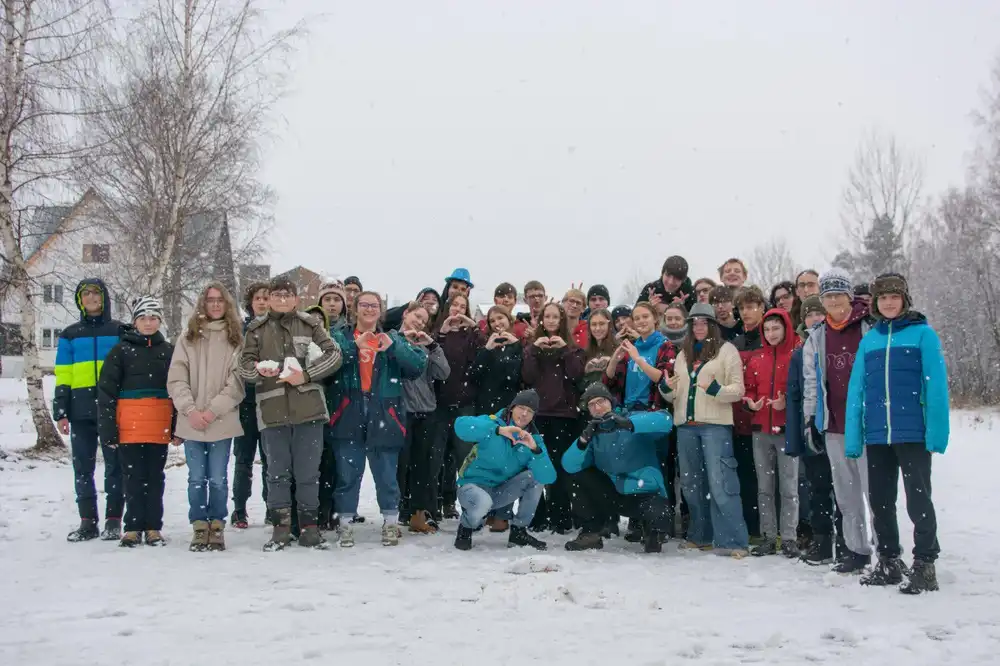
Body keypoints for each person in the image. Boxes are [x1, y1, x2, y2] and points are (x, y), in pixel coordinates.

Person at [846, 273, 948, 594]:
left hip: (912, 432)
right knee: (881, 500)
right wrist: (853, 435)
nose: (889, 302)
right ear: (875, 303)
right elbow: (856, 391)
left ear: (904, 299)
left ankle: (925, 564)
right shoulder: (870, 339)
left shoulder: (923, 335)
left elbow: (936, 388)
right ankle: (889, 561)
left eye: (895, 296)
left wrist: (936, 432)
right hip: (877, 435)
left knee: (918, 500)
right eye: (883, 297)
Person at [239, 277, 343, 551]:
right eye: (277, 295)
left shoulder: (311, 325)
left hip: (309, 411)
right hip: (272, 412)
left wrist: (306, 375)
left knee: (309, 474)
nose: (282, 300)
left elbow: (335, 355)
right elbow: (244, 365)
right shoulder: (256, 330)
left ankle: (310, 529)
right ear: (269, 298)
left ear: (297, 300)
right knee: (277, 475)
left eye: (288, 295)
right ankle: (281, 529)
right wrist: (258, 370)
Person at [327, 291, 427, 548]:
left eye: (374, 305)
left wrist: (393, 347)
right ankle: (345, 525)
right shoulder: (342, 337)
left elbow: (417, 367)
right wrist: (353, 347)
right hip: (349, 413)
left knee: (386, 476)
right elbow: (328, 364)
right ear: (355, 308)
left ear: (381, 310)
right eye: (364, 305)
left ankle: (390, 523)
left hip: (385, 414)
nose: (369, 309)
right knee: (348, 475)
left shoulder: (392, 337)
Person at [659, 303, 749, 558]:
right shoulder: (683, 354)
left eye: (703, 322)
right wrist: (666, 389)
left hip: (715, 426)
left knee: (721, 483)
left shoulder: (726, 351)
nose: (698, 327)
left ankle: (733, 541)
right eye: (694, 323)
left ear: (712, 325)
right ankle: (701, 536)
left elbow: (738, 390)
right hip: (686, 427)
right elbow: (675, 393)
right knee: (691, 485)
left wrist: (715, 390)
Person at [802, 268, 875, 574]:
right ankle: (856, 550)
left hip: (867, 425)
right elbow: (811, 383)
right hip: (833, 425)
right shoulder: (816, 337)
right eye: (828, 296)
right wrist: (811, 420)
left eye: (838, 295)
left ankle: (886, 551)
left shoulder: (868, 329)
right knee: (846, 495)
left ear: (849, 297)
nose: (833, 301)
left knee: (875, 494)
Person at [167, 282, 246, 552]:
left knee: (218, 478)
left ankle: (217, 526)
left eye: (220, 300)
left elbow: (237, 383)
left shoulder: (236, 338)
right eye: (210, 300)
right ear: (202, 303)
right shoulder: (188, 337)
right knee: (196, 478)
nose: (215, 304)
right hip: (192, 421)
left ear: (227, 305)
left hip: (221, 420)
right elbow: (177, 378)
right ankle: (199, 525)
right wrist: (190, 410)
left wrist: (212, 411)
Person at [96, 297, 176, 548]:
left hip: (159, 424)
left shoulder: (169, 351)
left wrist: (176, 427)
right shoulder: (120, 351)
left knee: (155, 477)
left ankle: (153, 527)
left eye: (153, 318)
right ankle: (132, 527)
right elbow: (106, 392)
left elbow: (178, 390)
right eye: (143, 318)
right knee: (131, 476)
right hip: (129, 426)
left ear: (160, 321)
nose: (148, 322)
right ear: (135, 322)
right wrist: (108, 428)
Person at [563, 383, 675, 553]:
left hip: (645, 492)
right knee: (577, 476)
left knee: (658, 521)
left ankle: (652, 530)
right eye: (592, 405)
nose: (597, 408)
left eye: (601, 401)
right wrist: (583, 440)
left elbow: (666, 420)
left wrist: (628, 423)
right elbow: (569, 465)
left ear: (611, 402)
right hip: (613, 494)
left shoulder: (633, 418)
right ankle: (591, 533)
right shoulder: (594, 434)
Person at [55, 278, 126, 542]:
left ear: (105, 298)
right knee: (82, 468)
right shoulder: (69, 334)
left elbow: (127, 369)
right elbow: (63, 374)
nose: (91, 297)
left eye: (96, 293)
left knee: (115, 467)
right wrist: (61, 410)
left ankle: (113, 520)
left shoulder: (119, 330)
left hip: (111, 410)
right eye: (86, 294)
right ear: (79, 300)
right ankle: (87, 521)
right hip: (80, 411)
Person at [453, 390, 556, 551]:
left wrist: (535, 450)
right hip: (472, 488)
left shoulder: (533, 439)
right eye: (521, 407)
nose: (524, 414)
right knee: (482, 502)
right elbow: (460, 426)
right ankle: (466, 528)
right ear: (511, 408)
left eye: (529, 411)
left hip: (499, 492)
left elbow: (548, 477)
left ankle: (518, 532)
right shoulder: (493, 423)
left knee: (535, 477)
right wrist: (498, 430)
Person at [787, 295, 846, 564]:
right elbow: (795, 396)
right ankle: (822, 541)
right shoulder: (799, 354)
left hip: (839, 426)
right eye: (809, 315)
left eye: (819, 314)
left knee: (844, 488)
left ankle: (848, 541)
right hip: (812, 428)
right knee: (817, 488)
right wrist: (798, 434)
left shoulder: (839, 345)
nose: (815, 319)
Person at [521, 301, 585, 533]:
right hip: (538, 414)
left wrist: (565, 350)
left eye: (555, 317)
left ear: (561, 321)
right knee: (537, 465)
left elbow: (577, 374)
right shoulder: (531, 349)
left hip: (564, 415)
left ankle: (561, 518)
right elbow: (528, 376)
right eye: (547, 317)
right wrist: (535, 350)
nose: (550, 321)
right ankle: (537, 517)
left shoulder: (574, 349)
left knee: (559, 467)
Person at [743, 308, 800, 558]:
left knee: (789, 487)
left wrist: (786, 401)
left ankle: (789, 537)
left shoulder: (795, 357)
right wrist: (750, 402)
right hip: (760, 431)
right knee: (765, 487)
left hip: (786, 431)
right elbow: (749, 389)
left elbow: (802, 390)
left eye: (776, 328)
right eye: (767, 329)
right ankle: (768, 535)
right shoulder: (757, 359)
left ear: (786, 328)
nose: (771, 333)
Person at [398, 303, 450, 533]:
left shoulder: (427, 347)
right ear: (405, 314)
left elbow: (444, 373)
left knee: (424, 467)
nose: (419, 322)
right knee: (400, 466)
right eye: (417, 316)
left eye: (424, 320)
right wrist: (401, 338)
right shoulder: (392, 340)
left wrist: (433, 346)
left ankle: (421, 513)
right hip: (399, 413)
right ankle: (398, 512)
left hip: (426, 412)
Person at [431, 292, 483, 520]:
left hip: (465, 404)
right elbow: (431, 350)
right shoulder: (438, 331)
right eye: (455, 305)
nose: (458, 310)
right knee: (439, 458)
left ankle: (471, 506)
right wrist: (442, 331)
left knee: (465, 458)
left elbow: (484, 352)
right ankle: (441, 503)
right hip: (440, 404)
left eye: (463, 306)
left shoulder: (471, 335)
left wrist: (473, 327)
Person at [231, 282, 269, 529]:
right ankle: (239, 509)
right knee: (243, 459)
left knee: (271, 459)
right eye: (258, 298)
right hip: (245, 401)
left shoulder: (277, 328)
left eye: (267, 297)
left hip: (270, 400)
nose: (263, 302)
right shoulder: (240, 330)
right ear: (250, 302)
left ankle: (272, 506)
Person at [471, 306, 523, 415]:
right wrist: (487, 349)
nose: (497, 323)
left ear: (509, 319)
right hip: (486, 405)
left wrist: (516, 345)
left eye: (500, 318)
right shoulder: (486, 344)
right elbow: (474, 374)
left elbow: (519, 376)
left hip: (510, 405)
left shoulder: (519, 345)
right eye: (492, 321)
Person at [582, 308, 616, 387]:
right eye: (594, 324)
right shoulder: (585, 352)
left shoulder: (619, 349)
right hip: (590, 397)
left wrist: (612, 364)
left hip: (613, 397)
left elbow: (621, 383)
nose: (597, 328)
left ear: (609, 325)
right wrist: (587, 371)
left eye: (601, 324)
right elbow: (581, 386)